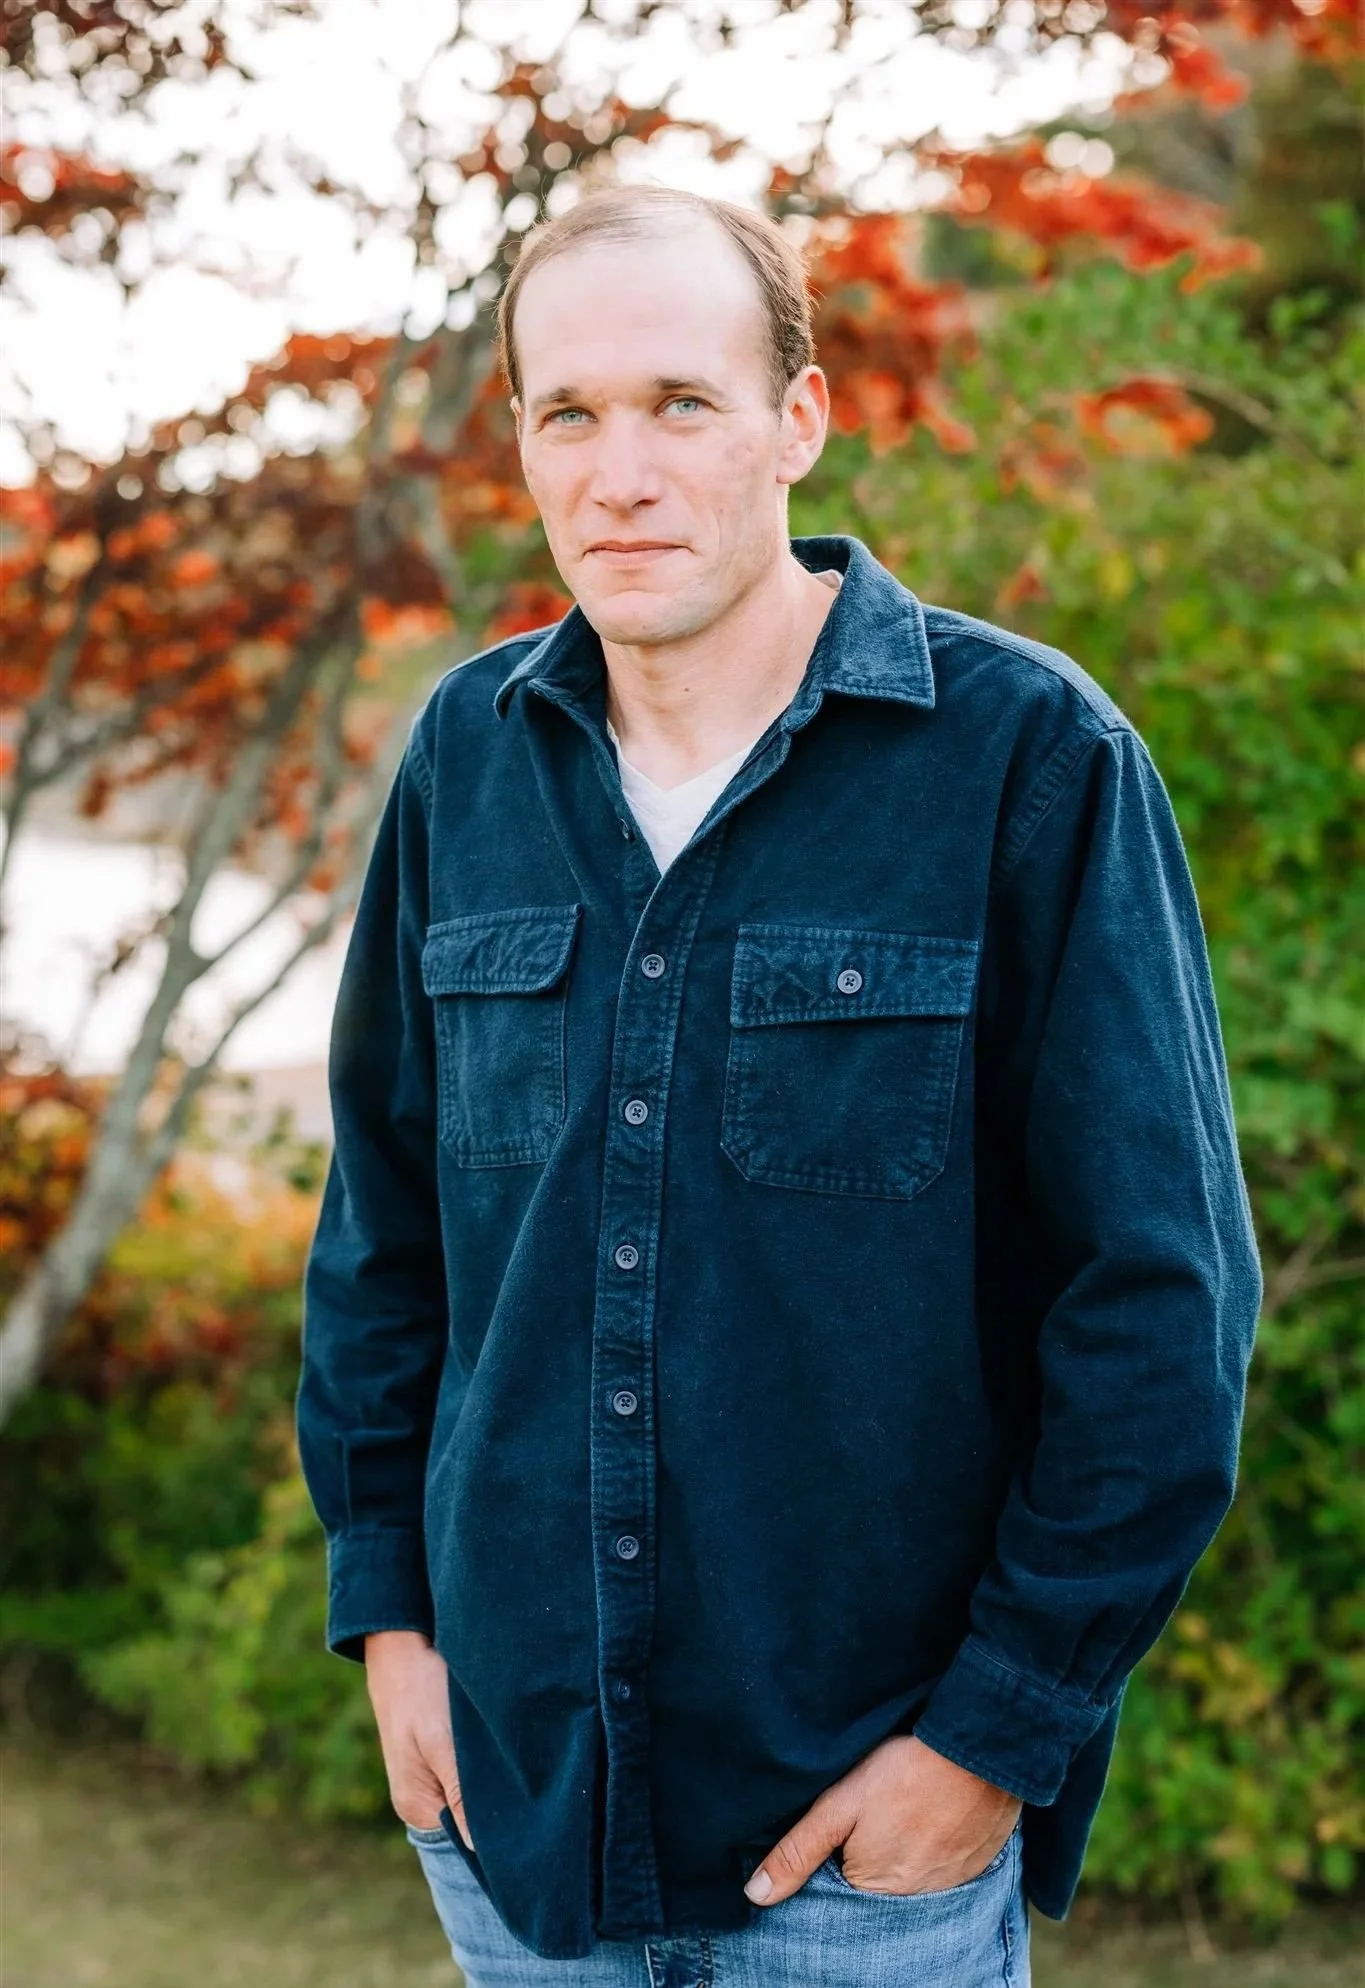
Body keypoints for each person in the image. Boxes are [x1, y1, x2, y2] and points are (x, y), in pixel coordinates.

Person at [296, 184, 1262, 1987]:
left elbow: (1162, 1308)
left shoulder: (1031, 760)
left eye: (683, 403)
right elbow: (383, 1239)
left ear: (799, 424)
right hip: (517, 1836)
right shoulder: (463, 762)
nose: (621, 470)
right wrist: (392, 1627)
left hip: (863, 1861)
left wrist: (991, 1740)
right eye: (567, 414)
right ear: (519, 444)